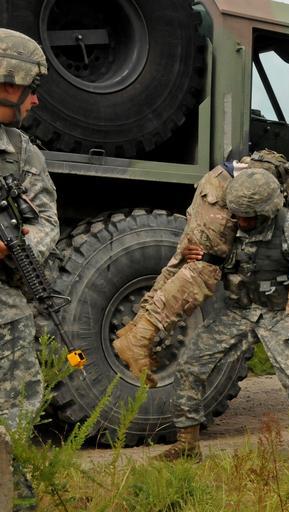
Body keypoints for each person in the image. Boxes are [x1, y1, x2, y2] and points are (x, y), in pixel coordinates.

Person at [113, 149, 289, 384]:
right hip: (226, 195)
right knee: (205, 268)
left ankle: (135, 330)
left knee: (186, 262)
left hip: (223, 186)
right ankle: (141, 338)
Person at [157, 168, 289, 461]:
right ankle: (187, 444)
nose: (241, 222)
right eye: (238, 215)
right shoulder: (227, 224)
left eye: (249, 218)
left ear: (267, 212)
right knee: (191, 364)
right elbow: (210, 254)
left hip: (279, 314)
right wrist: (197, 255)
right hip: (239, 311)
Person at [0, 29, 59, 509]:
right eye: (29, 88)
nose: (34, 100)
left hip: (4, 308)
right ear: (5, 82)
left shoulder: (21, 153)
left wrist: (13, 247)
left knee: (16, 410)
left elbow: (45, 223)